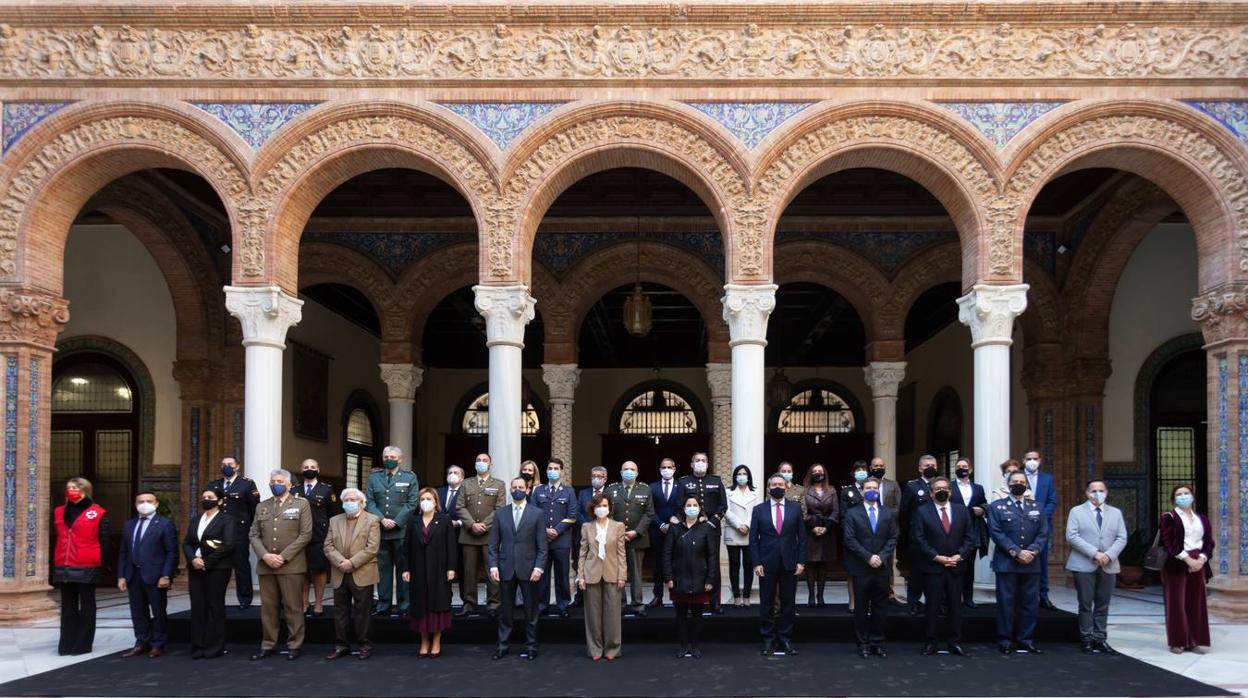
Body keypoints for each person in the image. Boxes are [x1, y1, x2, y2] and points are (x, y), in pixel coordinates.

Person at [249, 469, 313, 661]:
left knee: (293, 607)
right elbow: (253, 534)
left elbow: (305, 534)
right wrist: (265, 555)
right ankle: (268, 644)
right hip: (266, 564)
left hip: (291, 565)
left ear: (289, 485)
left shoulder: (301, 504)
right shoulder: (262, 506)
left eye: (279, 481)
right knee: (268, 608)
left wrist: (283, 557)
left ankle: (295, 644)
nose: (275, 483)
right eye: (272, 481)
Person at [911, 476, 975, 656]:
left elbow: (970, 538)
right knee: (932, 607)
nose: (942, 491)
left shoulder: (962, 511)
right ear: (931, 493)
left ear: (950, 491)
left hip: (956, 566)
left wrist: (959, 556)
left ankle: (955, 642)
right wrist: (936, 557)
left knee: (955, 606)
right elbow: (919, 538)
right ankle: (931, 642)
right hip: (933, 568)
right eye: (937, 488)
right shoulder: (922, 511)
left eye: (945, 488)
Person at [987, 471, 1049, 655]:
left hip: (1031, 563)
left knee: (1029, 604)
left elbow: (1043, 532)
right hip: (1007, 562)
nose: (1018, 484)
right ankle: (1005, 640)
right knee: (1006, 603)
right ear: (1008, 484)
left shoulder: (1037, 506)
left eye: (1022, 482)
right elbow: (996, 532)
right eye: (1015, 482)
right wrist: (1016, 551)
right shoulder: (996, 507)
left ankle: (1026, 639)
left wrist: (1033, 551)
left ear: (1027, 485)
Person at [488, 477, 548, 660]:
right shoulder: (500, 514)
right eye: (514, 487)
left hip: (529, 569)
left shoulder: (537, 513)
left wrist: (539, 568)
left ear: (528, 490)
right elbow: (493, 544)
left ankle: (531, 647)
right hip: (505, 568)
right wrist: (493, 566)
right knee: (505, 612)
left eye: (521, 487)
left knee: (531, 612)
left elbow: (542, 546)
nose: (517, 490)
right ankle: (503, 646)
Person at [1065, 479, 1127, 655]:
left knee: (1103, 604)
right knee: (1085, 604)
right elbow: (1072, 536)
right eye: (1093, 490)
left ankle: (1100, 638)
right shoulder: (1076, 511)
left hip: (1109, 564)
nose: (1097, 494)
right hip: (1084, 564)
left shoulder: (1115, 513)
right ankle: (1086, 638)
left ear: (1106, 492)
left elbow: (1122, 537)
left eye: (1101, 490)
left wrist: (1108, 555)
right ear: (1087, 493)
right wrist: (1095, 553)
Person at [117, 491, 178, 658]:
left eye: (149, 501)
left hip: (156, 575)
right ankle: (141, 641)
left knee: (158, 611)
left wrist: (166, 575)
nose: (145, 504)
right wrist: (121, 575)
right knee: (137, 611)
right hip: (133, 574)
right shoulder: (129, 525)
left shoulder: (165, 524)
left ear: (156, 503)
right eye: (141, 501)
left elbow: (171, 552)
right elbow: (123, 551)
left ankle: (158, 644)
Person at [842, 477, 898, 658]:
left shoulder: (888, 513)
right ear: (863, 491)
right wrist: (868, 557)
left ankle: (877, 643)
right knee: (861, 607)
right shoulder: (852, 513)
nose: (872, 490)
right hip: (861, 567)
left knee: (880, 607)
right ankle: (863, 643)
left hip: (882, 568)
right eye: (868, 488)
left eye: (875, 487)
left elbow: (893, 537)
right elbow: (849, 539)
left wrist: (881, 557)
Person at [53, 477, 109, 656]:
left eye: (76, 487)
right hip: (64, 562)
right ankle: (66, 644)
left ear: (85, 490)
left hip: (87, 563)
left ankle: (83, 644)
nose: (72, 490)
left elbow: (104, 541)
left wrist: (103, 564)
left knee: (86, 606)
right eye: (69, 487)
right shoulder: (59, 511)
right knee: (67, 607)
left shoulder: (98, 512)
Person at [750, 475, 806, 656]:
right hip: (766, 563)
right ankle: (768, 640)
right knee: (766, 603)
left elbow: (802, 538)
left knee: (788, 603)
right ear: (768, 488)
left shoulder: (795, 508)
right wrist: (756, 562)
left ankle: (786, 639)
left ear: (786, 487)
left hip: (790, 562)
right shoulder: (759, 510)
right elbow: (753, 540)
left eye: (780, 485)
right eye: (774, 484)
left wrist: (801, 561)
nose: (777, 487)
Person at [324, 487, 381, 661]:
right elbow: (328, 546)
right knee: (340, 611)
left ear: (362, 503)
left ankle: (364, 644)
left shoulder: (372, 520)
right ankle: (341, 645)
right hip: (340, 571)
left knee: (362, 612)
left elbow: (372, 548)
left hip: (362, 571)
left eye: (353, 500)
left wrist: (352, 563)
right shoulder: (335, 520)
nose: (349, 503)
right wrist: (341, 562)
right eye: (346, 500)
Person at [401, 487, 458, 658]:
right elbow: (406, 547)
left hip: (439, 569)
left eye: (429, 499)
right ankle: (424, 641)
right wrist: (406, 568)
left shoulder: (445, 520)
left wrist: (451, 568)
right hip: (418, 569)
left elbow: (451, 546)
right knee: (420, 605)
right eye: (423, 499)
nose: (426, 502)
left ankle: (436, 641)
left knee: (437, 604)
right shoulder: (413, 521)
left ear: (435, 502)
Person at [364, 445, 419, 618]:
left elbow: (412, 503)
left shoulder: (410, 477)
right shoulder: (374, 478)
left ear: (400, 459)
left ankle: (404, 604)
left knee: (404, 568)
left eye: (393, 457)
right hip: (380, 530)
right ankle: (384, 604)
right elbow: (370, 502)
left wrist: (396, 521)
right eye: (386, 456)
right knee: (383, 569)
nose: (389, 459)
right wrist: (382, 519)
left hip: (402, 531)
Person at [1159, 485, 1214, 654]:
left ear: (1192, 496)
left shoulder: (1202, 518)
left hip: (1199, 562)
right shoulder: (1169, 517)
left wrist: (1201, 559)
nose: (1183, 496)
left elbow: (1208, 541)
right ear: (1174, 499)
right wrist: (1188, 559)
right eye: (1179, 494)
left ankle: (1194, 640)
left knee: (1196, 602)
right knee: (1176, 603)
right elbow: (1168, 542)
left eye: (1186, 493)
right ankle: (1178, 641)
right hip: (1177, 562)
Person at [184, 487, 235, 659]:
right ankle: (198, 645)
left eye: (210, 497)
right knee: (198, 607)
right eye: (204, 496)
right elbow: (187, 543)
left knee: (215, 606)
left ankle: (214, 646)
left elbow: (228, 545)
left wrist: (207, 562)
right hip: (195, 568)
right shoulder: (196, 519)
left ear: (219, 501)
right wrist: (193, 560)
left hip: (218, 569)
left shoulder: (227, 519)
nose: (206, 499)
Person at [665, 495, 719, 659]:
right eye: (688, 504)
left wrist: (710, 579)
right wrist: (668, 577)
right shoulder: (674, 528)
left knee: (697, 615)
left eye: (695, 505)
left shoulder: (707, 528)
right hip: (678, 577)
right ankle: (683, 645)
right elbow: (667, 553)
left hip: (700, 579)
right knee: (680, 615)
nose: (691, 507)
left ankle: (695, 646)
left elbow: (712, 556)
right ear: (683, 508)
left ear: (700, 508)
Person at [577, 494, 628, 660]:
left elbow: (622, 553)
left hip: (612, 573)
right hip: (591, 573)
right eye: (598, 505)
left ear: (610, 508)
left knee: (613, 614)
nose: (602, 508)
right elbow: (582, 553)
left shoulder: (618, 526)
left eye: (605, 505)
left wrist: (622, 575)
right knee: (592, 615)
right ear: (593, 508)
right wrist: (580, 576)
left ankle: (612, 648)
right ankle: (595, 649)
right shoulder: (586, 527)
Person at [457, 453, 507, 617]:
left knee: (491, 571)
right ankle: (469, 604)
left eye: (485, 461)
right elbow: (460, 507)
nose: (481, 463)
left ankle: (493, 604)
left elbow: (499, 508)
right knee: (469, 572)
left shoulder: (499, 484)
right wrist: (472, 524)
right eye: (478, 460)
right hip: (468, 535)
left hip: (489, 535)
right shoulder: (466, 483)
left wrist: (484, 525)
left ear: (490, 465)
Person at [678, 452, 727, 613]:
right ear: (691, 464)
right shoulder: (684, 482)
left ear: (707, 463)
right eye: (697, 460)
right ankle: (694, 600)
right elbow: (679, 506)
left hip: (712, 529)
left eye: (703, 460)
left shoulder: (716, 481)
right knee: (693, 564)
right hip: (690, 529)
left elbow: (723, 506)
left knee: (713, 564)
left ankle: (715, 601)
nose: (700, 463)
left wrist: (712, 522)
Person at [208, 457, 259, 609]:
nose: (226, 467)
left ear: (237, 466)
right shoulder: (214, 485)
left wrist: (251, 530)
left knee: (241, 566)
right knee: (217, 567)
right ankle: (216, 600)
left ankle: (244, 600)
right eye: (223, 464)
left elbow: (254, 509)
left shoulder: (247, 484)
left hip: (239, 533)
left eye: (230, 464)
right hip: (217, 534)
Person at [607, 460, 655, 616]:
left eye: (632, 469)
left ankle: (637, 604)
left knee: (636, 573)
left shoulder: (645, 489)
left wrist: (637, 531)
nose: (629, 471)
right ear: (621, 472)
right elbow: (608, 513)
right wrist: (617, 532)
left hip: (637, 538)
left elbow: (649, 513)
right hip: (616, 539)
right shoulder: (612, 489)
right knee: (618, 572)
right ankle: (620, 604)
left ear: (637, 472)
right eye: (626, 469)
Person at [533, 458, 576, 617]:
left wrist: (556, 531)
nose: (552, 471)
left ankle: (563, 605)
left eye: (556, 468)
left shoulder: (569, 491)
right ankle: (542, 605)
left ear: (562, 471)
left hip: (562, 540)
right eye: (550, 468)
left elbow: (572, 516)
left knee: (562, 575)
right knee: (542, 575)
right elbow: (533, 513)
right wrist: (544, 531)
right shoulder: (538, 491)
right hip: (542, 540)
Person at [293, 458, 336, 617]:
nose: (309, 469)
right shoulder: (294, 490)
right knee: (302, 570)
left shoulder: (326, 489)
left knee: (319, 570)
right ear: (301, 469)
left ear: (318, 470)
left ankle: (318, 603)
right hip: (298, 536)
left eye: (312, 467)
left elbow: (333, 514)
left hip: (319, 535)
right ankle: (304, 602)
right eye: (305, 467)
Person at [899, 455, 939, 615]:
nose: (930, 467)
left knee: (937, 573)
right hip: (918, 537)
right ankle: (914, 602)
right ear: (919, 468)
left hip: (939, 536)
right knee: (916, 572)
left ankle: (936, 603)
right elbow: (904, 511)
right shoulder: (912, 486)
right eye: (926, 465)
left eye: (933, 464)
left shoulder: (942, 485)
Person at [1021, 450, 1058, 610]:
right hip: (1021, 526)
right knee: (1022, 559)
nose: (1032, 461)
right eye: (1029, 459)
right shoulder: (1018, 478)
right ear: (1023, 461)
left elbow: (1052, 501)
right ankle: (1023, 596)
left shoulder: (1047, 479)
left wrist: (1040, 516)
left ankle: (1043, 596)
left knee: (1041, 562)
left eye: (1035, 459)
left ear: (1040, 460)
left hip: (1042, 527)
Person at [949, 457, 988, 608]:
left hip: (972, 531)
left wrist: (983, 509)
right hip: (953, 530)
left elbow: (984, 503)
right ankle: (953, 597)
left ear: (970, 469)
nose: (961, 468)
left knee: (969, 567)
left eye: (964, 466)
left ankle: (968, 597)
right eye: (958, 466)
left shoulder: (978, 488)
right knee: (954, 565)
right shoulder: (950, 486)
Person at [801, 463, 839, 608]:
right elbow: (802, 511)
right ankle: (811, 596)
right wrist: (812, 527)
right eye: (815, 471)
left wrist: (826, 527)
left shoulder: (832, 490)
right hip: (810, 530)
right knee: (810, 564)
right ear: (811, 474)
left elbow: (836, 511)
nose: (818, 473)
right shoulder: (804, 491)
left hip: (827, 531)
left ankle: (820, 596)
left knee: (824, 564)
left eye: (820, 471)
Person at [647, 458, 682, 609]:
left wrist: (674, 523)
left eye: (669, 467)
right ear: (660, 469)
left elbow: (684, 506)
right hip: (657, 530)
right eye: (663, 467)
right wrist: (661, 524)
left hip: (677, 530)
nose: (666, 469)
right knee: (658, 565)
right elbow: (649, 509)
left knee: (676, 563)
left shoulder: (681, 486)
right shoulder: (652, 487)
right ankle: (658, 596)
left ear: (674, 469)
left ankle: (676, 596)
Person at [574, 466, 610, 607]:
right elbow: (577, 512)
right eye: (594, 476)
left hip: (604, 536)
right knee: (581, 565)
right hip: (584, 535)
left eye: (599, 476)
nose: (596, 478)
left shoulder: (609, 493)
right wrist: (590, 527)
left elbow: (612, 512)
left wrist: (599, 527)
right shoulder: (583, 493)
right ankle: (580, 597)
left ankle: (600, 597)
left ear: (605, 478)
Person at [725, 464, 759, 607]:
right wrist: (739, 525)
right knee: (734, 565)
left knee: (748, 565)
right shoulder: (728, 491)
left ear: (748, 476)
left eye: (744, 473)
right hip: (733, 530)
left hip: (749, 531)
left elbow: (757, 511)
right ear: (735, 476)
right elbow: (725, 510)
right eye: (739, 474)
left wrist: (747, 525)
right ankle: (736, 596)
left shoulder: (755, 492)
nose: (742, 476)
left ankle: (746, 596)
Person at [841, 460, 870, 613]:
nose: (861, 472)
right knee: (852, 570)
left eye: (863, 469)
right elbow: (844, 515)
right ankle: (852, 600)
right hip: (852, 537)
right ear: (853, 473)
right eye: (858, 469)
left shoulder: (872, 489)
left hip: (870, 537)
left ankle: (866, 602)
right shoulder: (847, 491)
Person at [437, 465, 466, 608]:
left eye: (456, 473)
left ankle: (466, 602)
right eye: (450, 472)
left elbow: (471, 511)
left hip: (461, 535)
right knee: (442, 568)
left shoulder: (467, 492)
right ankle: (444, 600)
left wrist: (459, 522)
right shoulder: (439, 492)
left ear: (462, 478)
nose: (452, 475)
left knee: (462, 568)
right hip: (441, 537)